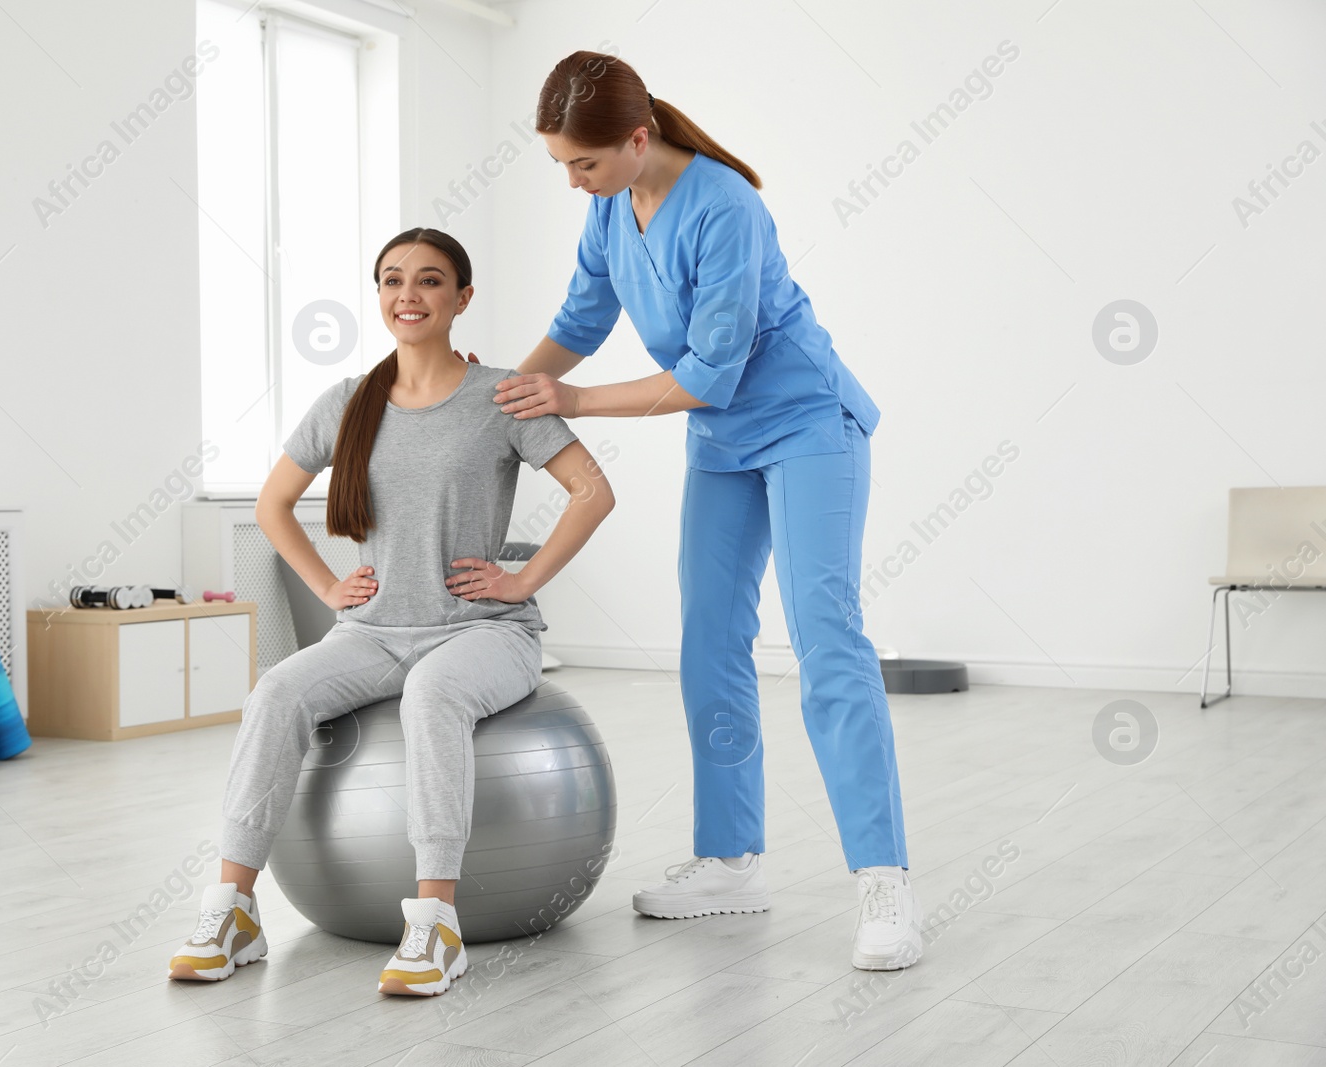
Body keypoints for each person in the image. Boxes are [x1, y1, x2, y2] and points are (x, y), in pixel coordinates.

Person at [488, 51, 920, 970]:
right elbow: (580, 318)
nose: (573, 183)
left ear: (636, 140)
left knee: (825, 635)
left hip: (806, 422)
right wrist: (503, 395)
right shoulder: (612, 208)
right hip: (724, 442)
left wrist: (568, 404)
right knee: (709, 637)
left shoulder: (725, 207)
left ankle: (884, 882)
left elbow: (704, 376)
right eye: (561, 165)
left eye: (585, 164)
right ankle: (730, 859)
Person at [167, 228, 616, 995]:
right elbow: (273, 503)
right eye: (392, 279)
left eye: (431, 280)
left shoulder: (501, 395)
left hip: (484, 631)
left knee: (433, 692)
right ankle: (234, 907)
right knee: (276, 690)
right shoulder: (347, 400)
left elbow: (592, 490)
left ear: (462, 298)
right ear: (378, 296)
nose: (408, 293)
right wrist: (328, 586)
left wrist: (520, 579)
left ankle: (436, 922)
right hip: (375, 630)